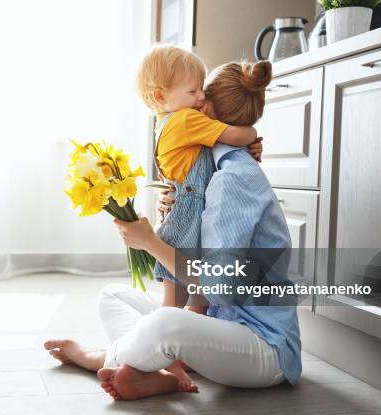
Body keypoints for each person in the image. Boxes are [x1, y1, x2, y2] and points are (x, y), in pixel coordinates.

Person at [44, 60, 301, 401]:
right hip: (219, 325)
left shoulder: (233, 180)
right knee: (114, 295)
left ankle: (95, 358)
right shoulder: (211, 166)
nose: (191, 102)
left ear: (205, 110)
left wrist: (149, 242)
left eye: (198, 93)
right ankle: (159, 371)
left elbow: (217, 286)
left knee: (165, 323)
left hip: (262, 347)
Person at [135, 45, 263, 390]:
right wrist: (251, 134)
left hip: (180, 212)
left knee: (177, 301)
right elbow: (234, 134)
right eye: (193, 91)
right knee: (187, 301)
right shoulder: (188, 119)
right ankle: (165, 362)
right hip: (187, 218)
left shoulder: (163, 122)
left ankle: (168, 362)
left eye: (202, 88)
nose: (201, 96)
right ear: (162, 95)